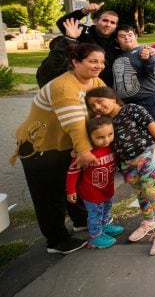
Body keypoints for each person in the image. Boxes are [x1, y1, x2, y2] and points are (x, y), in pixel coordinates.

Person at [12, 43, 106, 254]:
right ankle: (56, 241)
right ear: (75, 62)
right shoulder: (63, 87)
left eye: (101, 61)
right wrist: (85, 152)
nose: (99, 66)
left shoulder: (95, 81)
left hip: (66, 146)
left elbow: (107, 106)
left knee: (72, 185)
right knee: (49, 196)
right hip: (41, 147)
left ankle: (81, 220)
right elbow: (75, 125)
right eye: (93, 61)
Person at [85, 87, 155, 255]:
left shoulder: (131, 109)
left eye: (99, 101)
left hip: (147, 154)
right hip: (126, 163)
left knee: (151, 190)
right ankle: (149, 220)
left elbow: (151, 125)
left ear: (112, 97)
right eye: (92, 106)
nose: (96, 107)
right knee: (141, 193)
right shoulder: (103, 122)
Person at [65, 115, 124, 249]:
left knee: (106, 209)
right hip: (91, 191)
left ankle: (104, 227)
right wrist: (71, 190)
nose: (106, 140)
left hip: (107, 188)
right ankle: (95, 237)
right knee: (95, 214)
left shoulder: (112, 147)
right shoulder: (85, 153)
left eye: (110, 134)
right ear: (89, 137)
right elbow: (73, 171)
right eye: (100, 137)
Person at [54, 2, 121, 86]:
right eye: (105, 20)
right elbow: (62, 22)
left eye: (112, 23)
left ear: (116, 26)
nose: (108, 25)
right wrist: (84, 12)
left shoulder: (118, 40)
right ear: (95, 21)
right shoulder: (84, 32)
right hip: (84, 84)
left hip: (110, 87)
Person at [113, 25, 155, 124]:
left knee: (153, 134)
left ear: (135, 36)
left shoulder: (144, 51)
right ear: (117, 40)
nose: (127, 38)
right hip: (125, 104)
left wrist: (148, 59)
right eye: (122, 36)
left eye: (130, 35)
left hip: (147, 101)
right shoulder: (117, 54)